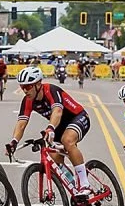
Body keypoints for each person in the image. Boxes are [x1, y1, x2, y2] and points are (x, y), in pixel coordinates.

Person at [5, 66, 94, 197]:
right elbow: (21, 123)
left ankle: (85, 184)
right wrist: (13, 142)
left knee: (67, 141)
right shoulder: (28, 100)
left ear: (38, 84)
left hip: (78, 117)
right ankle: (75, 187)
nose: (24, 90)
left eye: (28, 87)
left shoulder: (50, 90)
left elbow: (57, 111)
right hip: (59, 125)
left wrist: (51, 127)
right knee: (55, 160)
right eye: (22, 86)